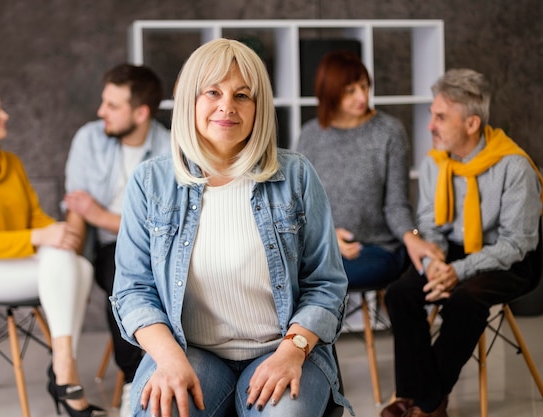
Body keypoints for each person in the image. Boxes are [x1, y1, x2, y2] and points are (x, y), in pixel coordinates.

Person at [110, 38, 352, 417]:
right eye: (213, 92)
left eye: (243, 95)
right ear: (190, 99)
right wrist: (169, 360)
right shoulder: (150, 182)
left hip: (281, 347)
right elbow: (133, 291)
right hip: (191, 350)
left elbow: (326, 283)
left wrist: (291, 352)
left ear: (259, 108)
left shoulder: (297, 175)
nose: (227, 106)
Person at [0, 83, 107, 417]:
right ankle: (64, 371)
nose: (5, 115)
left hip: (10, 259)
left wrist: (58, 233)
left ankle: (61, 364)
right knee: (65, 263)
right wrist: (42, 238)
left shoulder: (10, 162)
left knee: (79, 266)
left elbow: (34, 217)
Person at [381, 69, 543, 417]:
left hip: (510, 257)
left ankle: (424, 402)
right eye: (432, 114)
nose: (430, 125)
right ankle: (423, 398)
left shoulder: (514, 167)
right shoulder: (435, 163)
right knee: (400, 294)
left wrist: (458, 271)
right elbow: (430, 224)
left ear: (471, 124)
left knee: (465, 299)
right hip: (453, 250)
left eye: (440, 117)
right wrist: (434, 261)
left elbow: (519, 243)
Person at [63, 63, 171, 416]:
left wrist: (101, 215)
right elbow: (78, 207)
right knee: (120, 280)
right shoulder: (89, 138)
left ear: (140, 113)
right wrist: (71, 251)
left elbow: (163, 223)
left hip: (163, 247)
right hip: (108, 248)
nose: (101, 112)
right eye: (103, 102)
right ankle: (132, 382)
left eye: (112, 106)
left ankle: (168, 372)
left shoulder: (170, 148)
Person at [297, 51, 443, 291]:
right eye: (350, 90)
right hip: (322, 245)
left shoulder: (389, 132)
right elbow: (301, 201)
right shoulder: (310, 135)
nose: (362, 97)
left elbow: (396, 204)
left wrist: (412, 239)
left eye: (364, 87)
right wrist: (327, 238)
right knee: (285, 271)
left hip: (377, 249)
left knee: (319, 279)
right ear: (329, 92)